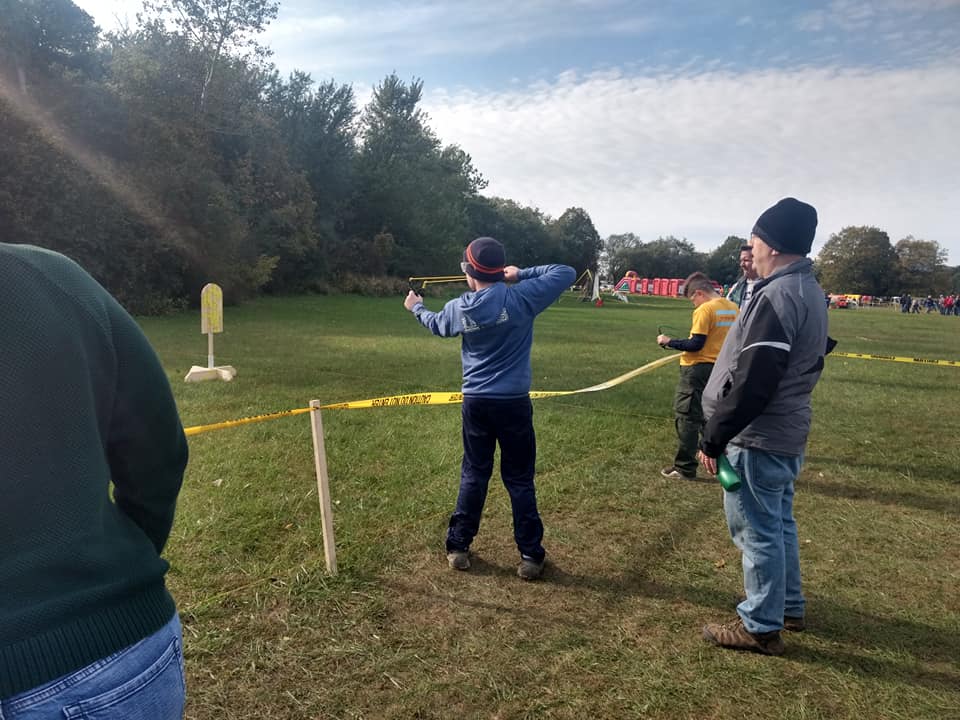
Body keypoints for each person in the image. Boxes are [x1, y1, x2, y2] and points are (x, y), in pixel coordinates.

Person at [1, 243, 189, 716]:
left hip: (102, 656)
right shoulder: (52, 277)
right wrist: (121, 557)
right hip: (115, 655)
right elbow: (157, 449)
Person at [696, 197, 829, 656]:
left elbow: (755, 380)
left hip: (759, 436)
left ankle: (759, 624)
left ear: (771, 244)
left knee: (756, 530)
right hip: (783, 431)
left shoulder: (778, 295)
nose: (750, 248)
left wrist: (714, 435)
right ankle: (786, 605)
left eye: (754, 239)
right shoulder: (805, 289)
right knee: (777, 523)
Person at [403, 237, 575, 580]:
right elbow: (565, 272)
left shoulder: (460, 307)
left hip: (477, 403)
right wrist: (521, 274)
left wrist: (416, 308)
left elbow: (437, 324)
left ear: (469, 272)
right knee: (520, 479)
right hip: (514, 403)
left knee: (474, 473)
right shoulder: (522, 296)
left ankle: (458, 547)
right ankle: (530, 555)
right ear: (499, 270)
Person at [656, 272, 739, 480]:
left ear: (699, 293)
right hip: (722, 368)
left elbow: (696, 344)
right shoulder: (733, 308)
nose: (693, 304)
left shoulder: (705, 309)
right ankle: (720, 457)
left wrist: (668, 341)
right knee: (711, 414)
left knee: (687, 416)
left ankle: (685, 467)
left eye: (692, 299)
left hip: (697, 369)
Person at [726, 244, 759, 308]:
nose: (742, 264)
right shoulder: (737, 287)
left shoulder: (768, 286)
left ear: (758, 261)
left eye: (746, 260)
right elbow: (726, 310)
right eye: (741, 260)